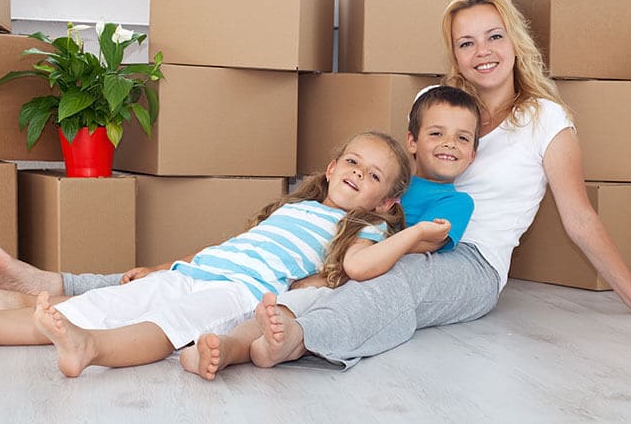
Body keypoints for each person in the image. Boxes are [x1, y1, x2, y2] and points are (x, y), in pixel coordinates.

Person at [243, 0, 631, 371]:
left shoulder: (546, 121)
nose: (483, 53)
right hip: (394, 235)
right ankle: (231, 333)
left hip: (472, 264)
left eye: (495, 37)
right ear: (455, 52)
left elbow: (579, 218)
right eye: (467, 43)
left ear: (515, 42)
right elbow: (402, 184)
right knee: (310, 258)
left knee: (402, 278)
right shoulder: (434, 103)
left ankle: (299, 339)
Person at [0, 131, 439, 377]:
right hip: (200, 270)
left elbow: (358, 268)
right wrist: (162, 267)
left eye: (372, 176)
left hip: (233, 294)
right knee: (91, 306)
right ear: (330, 167)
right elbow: (225, 247)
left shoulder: (363, 227)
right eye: (351, 161)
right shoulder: (292, 207)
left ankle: (92, 350)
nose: (355, 174)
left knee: (163, 325)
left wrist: (410, 236)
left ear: (387, 200)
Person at [179, 84, 482, 380]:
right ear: (412, 142)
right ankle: (215, 342)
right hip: (319, 256)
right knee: (267, 301)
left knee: (288, 310)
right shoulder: (386, 178)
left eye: (462, 138)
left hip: (352, 272)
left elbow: (426, 242)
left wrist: (345, 268)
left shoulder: (456, 202)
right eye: (436, 133)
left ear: (473, 155)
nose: (449, 144)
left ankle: (232, 349)